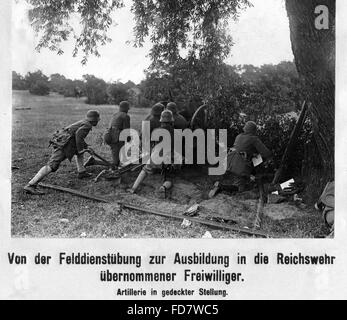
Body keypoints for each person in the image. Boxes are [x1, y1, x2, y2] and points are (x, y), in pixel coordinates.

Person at [24, 110, 100, 195]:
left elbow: (77, 137)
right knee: (52, 165)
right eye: (98, 119)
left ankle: (82, 172)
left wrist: (86, 147)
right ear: (94, 120)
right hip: (65, 144)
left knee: (79, 153)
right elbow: (78, 136)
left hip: (68, 141)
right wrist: (81, 149)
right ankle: (31, 185)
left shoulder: (84, 122)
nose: (98, 121)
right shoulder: (87, 125)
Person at [209, 121, 272, 197]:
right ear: (253, 130)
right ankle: (221, 187)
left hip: (229, 162)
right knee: (240, 189)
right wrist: (270, 158)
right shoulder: (253, 139)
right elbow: (266, 153)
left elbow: (243, 148)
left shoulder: (239, 136)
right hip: (239, 166)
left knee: (239, 180)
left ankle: (248, 177)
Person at [130, 109, 181, 194]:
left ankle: (133, 188)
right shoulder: (176, 133)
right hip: (168, 158)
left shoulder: (155, 131)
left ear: (161, 120)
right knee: (170, 178)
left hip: (155, 157)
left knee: (145, 170)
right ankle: (163, 187)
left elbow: (152, 144)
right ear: (171, 120)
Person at [86, 101, 131, 169]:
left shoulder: (115, 114)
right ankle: (94, 162)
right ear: (126, 108)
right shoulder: (125, 116)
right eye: (128, 108)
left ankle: (118, 164)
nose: (128, 109)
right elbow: (126, 131)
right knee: (116, 163)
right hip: (116, 138)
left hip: (108, 135)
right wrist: (129, 140)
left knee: (118, 158)